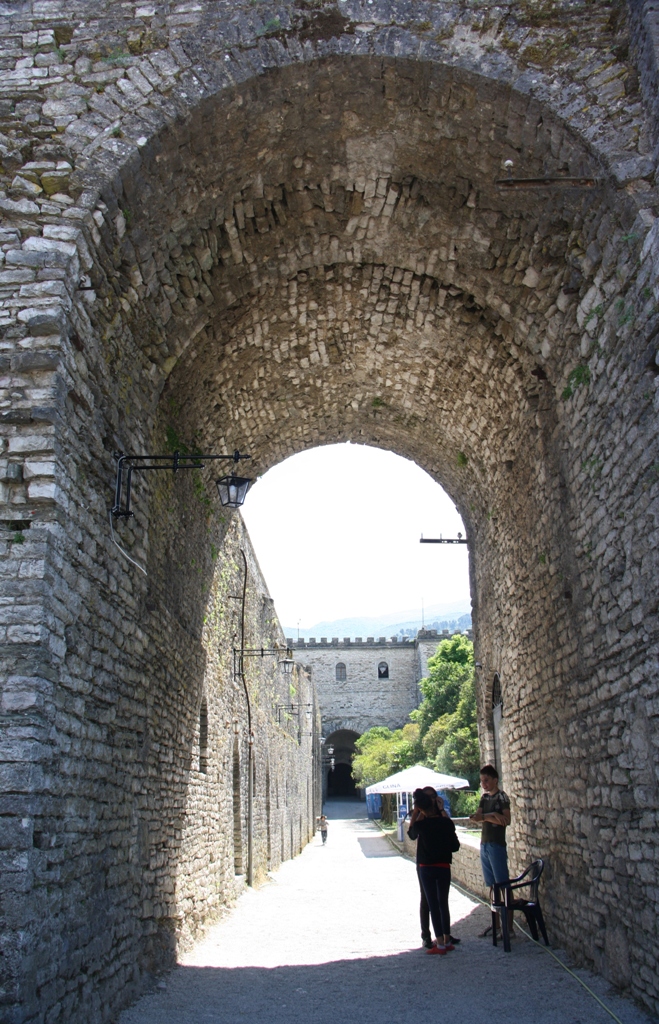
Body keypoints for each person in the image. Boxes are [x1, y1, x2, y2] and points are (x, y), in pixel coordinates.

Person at [408, 788, 459, 955]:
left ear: (421, 807)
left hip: (426, 868)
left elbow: (411, 833)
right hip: (444, 867)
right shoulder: (447, 823)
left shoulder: (421, 825)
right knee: (443, 902)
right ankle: (446, 938)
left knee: (432, 904)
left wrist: (416, 813)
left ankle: (440, 944)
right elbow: (455, 846)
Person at [469, 764, 511, 935]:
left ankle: (508, 927)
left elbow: (506, 820)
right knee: (493, 886)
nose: (484, 784)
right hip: (485, 844)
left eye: (486, 780)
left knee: (503, 885)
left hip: (496, 844)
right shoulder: (484, 798)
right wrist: (492, 816)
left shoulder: (502, 797)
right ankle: (496, 924)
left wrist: (488, 817)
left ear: (495, 780)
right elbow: (476, 818)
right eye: (482, 781)